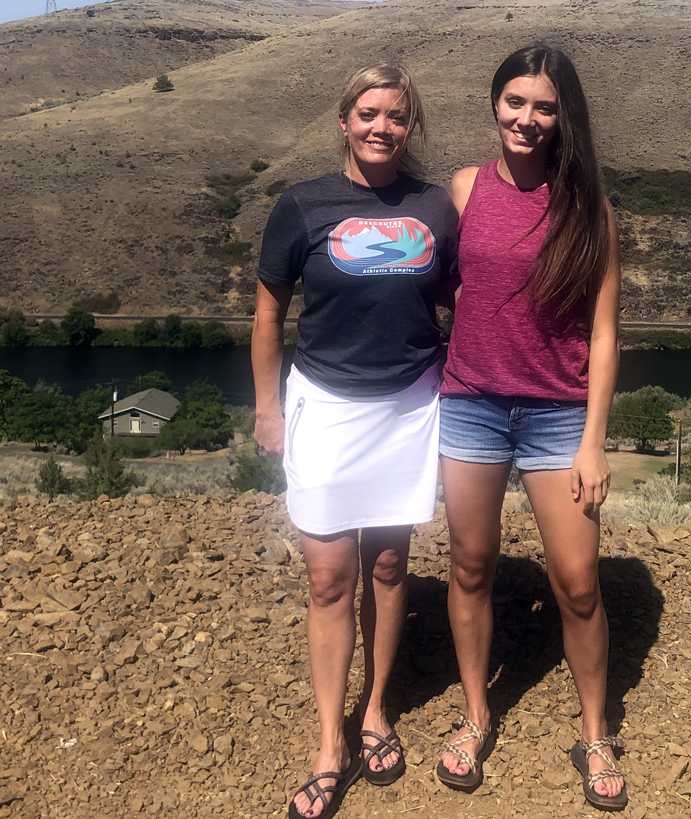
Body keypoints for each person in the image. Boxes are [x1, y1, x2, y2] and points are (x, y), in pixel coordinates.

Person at [251, 64, 457, 819]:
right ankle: (328, 742)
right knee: (330, 577)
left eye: (397, 117)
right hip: (326, 410)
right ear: (344, 120)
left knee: (392, 562)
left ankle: (375, 710)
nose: (382, 127)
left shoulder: (434, 207)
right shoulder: (302, 205)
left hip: (408, 407)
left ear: (410, 127)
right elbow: (269, 316)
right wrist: (268, 410)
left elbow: (461, 301)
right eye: (368, 113)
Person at [434, 45, 627, 811]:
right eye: (515, 101)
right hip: (471, 403)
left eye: (543, 106)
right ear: (495, 103)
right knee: (470, 565)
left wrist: (594, 439)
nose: (527, 117)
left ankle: (595, 731)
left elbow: (605, 332)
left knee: (578, 583)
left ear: (562, 117)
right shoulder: (462, 188)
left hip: (557, 415)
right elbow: (443, 288)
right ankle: (477, 713)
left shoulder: (592, 211)